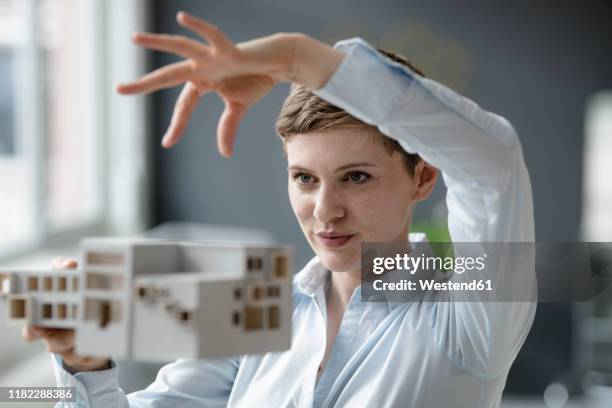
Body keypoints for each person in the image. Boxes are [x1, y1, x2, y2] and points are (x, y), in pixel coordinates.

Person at [22, 11, 536, 408]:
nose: (325, 211)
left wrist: (295, 57)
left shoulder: (469, 314)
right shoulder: (261, 312)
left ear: (421, 178)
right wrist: (83, 363)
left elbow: (492, 164)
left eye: (356, 178)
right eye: (305, 179)